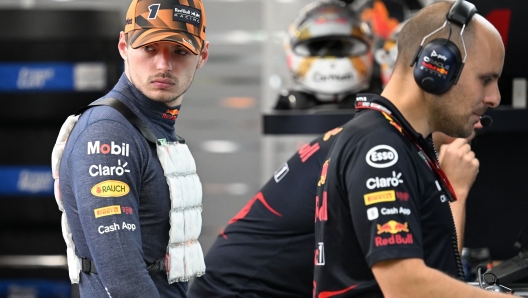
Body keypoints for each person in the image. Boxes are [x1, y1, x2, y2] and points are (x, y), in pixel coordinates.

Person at [313, 0, 509, 296]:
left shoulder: (400, 141)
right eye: (486, 79)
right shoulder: (380, 148)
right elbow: (405, 286)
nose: (494, 97)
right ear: (437, 65)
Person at [51, 0, 209, 296]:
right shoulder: (109, 132)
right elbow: (123, 276)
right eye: (150, 48)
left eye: (180, 51)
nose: (163, 64)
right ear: (124, 46)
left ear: (202, 55)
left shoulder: (151, 126)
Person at [274, 0, 377, 110]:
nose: (330, 56)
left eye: (339, 47)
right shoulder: (290, 105)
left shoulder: (375, 103)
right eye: (317, 47)